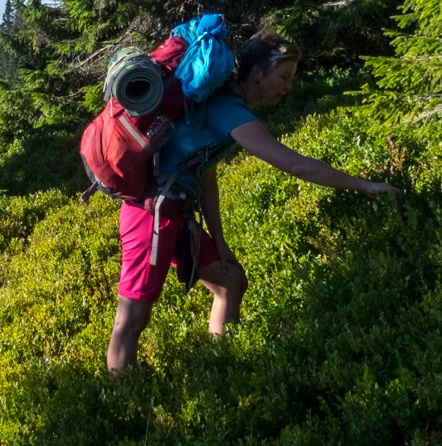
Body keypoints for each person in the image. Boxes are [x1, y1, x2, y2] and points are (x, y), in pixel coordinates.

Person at [108, 33, 400, 371]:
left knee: (230, 281)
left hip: (176, 212)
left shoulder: (223, 105)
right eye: (285, 76)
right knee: (130, 322)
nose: (288, 87)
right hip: (151, 217)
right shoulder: (228, 109)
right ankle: (122, 404)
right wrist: (363, 185)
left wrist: (219, 240)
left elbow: (205, 174)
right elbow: (296, 165)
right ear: (258, 72)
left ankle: (222, 373)